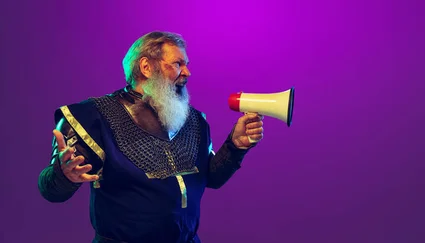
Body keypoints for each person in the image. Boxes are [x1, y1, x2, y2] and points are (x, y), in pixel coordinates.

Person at [37, 31, 264, 243]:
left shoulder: (193, 120)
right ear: (146, 67)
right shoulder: (94, 117)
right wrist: (63, 175)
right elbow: (50, 191)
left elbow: (210, 178)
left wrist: (235, 146)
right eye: (177, 64)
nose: (187, 72)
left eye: (186, 64)